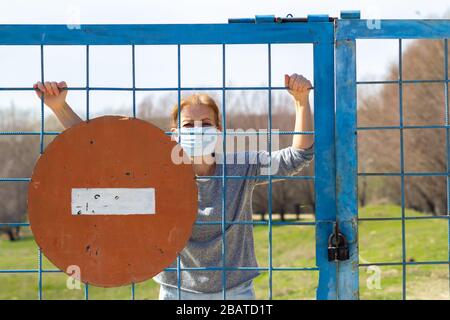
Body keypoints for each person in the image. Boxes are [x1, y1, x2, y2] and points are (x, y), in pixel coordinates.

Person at [33, 73, 315, 300]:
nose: (197, 130)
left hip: (236, 292)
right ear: (175, 132)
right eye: (189, 125)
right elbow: (97, 151)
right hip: (176, 292)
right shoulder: (157, 171)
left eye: (205, 123)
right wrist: (60, 107)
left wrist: (301, 102)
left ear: (218, 129)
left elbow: (295, 157)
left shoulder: (241, 167)